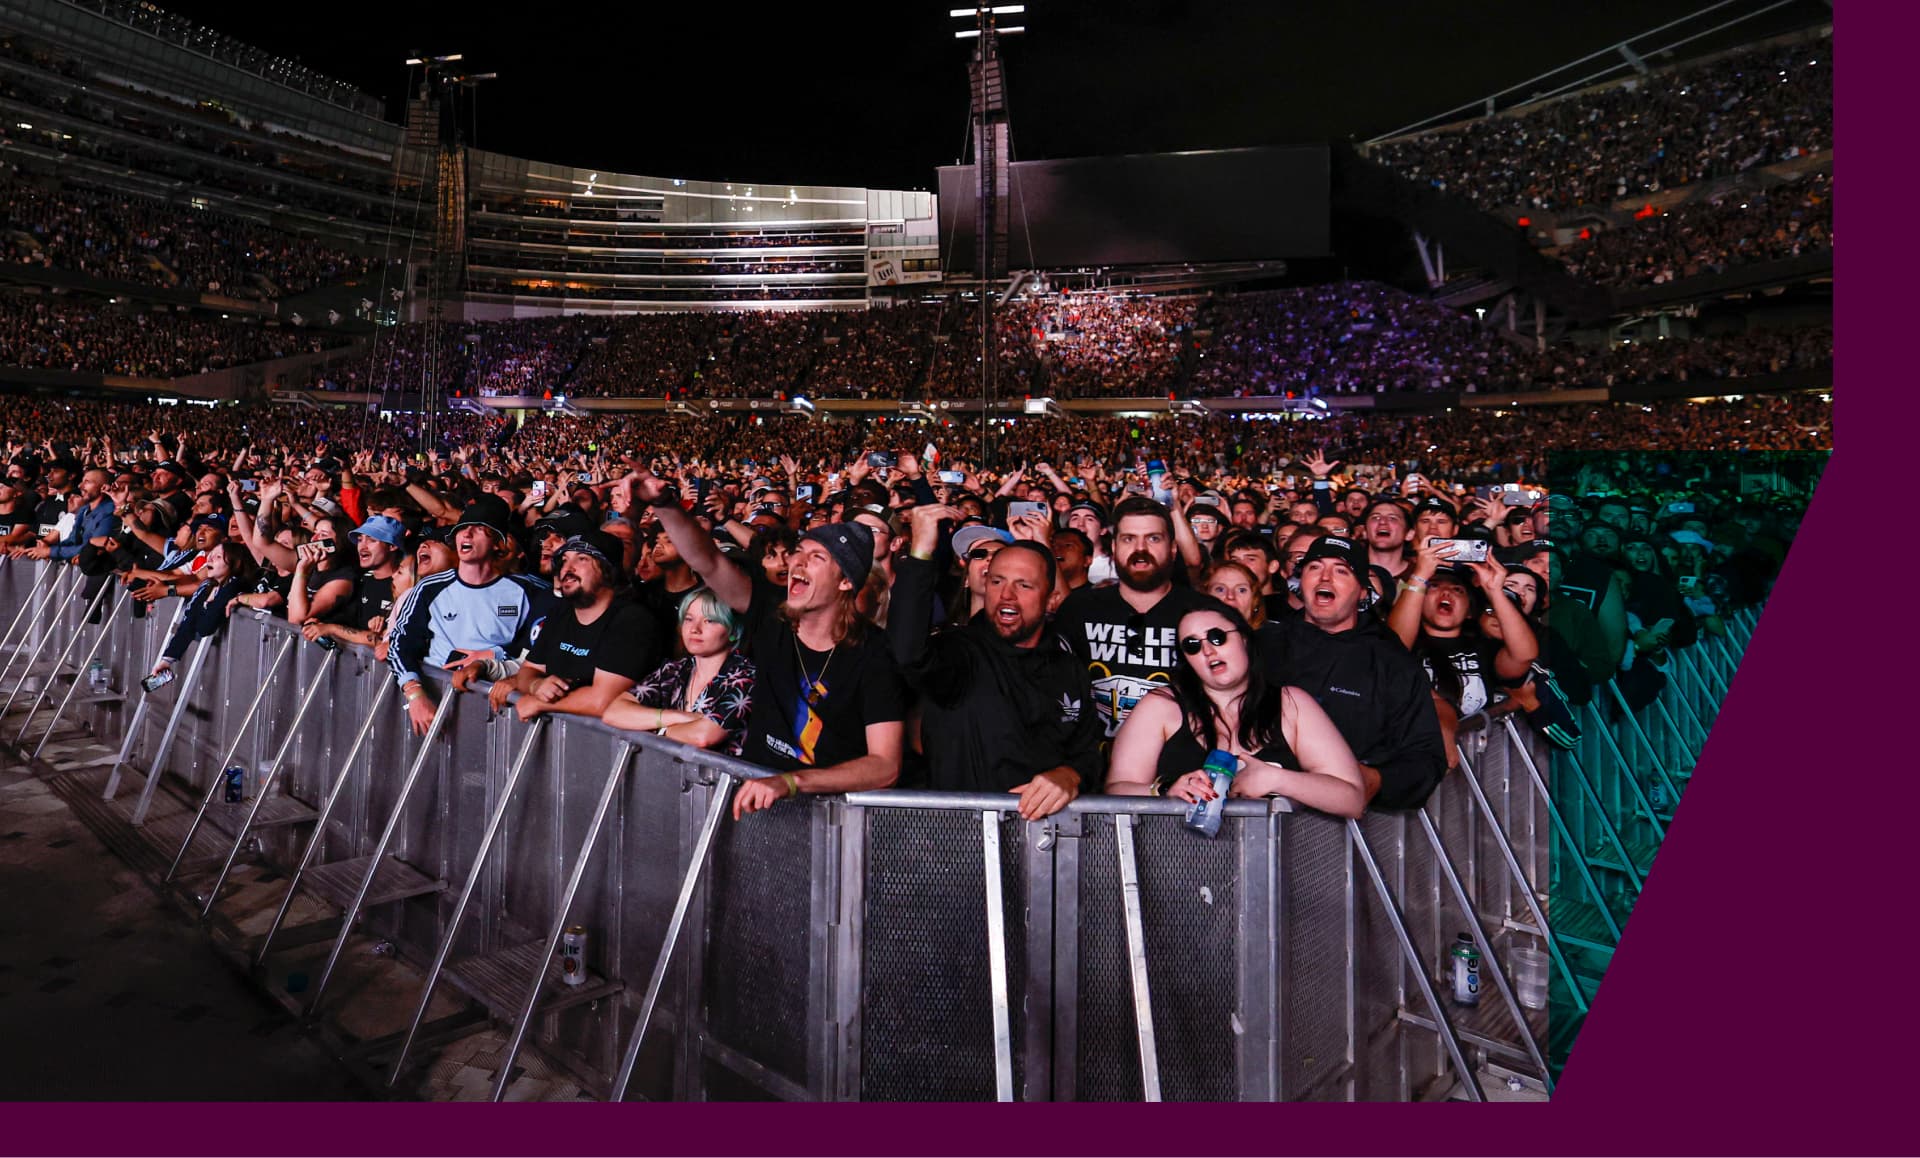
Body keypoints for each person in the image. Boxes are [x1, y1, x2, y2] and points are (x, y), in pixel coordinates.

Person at [627, 469, 904, 819]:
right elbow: (707, 561)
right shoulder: (774, 618)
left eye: (816, 558)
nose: (796, 562)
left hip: (831, 819)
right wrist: (664, 502)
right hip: (757, 801)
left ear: (846, 581)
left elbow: (885, 765)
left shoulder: (874, 654)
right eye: (798, 552)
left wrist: (791, 782)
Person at [890, 505, 1102, 819]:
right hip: (962, 844)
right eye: (997, 581)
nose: (1007, 595)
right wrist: (920, 554)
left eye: (1024, 585)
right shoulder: (959, 651)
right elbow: (907, 652)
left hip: (1043, 847)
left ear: (1050, 599)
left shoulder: (1068, 669)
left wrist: (1070, 775)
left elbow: (1088, 754)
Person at [1107, 600, 1367, 818]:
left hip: (1271, 869)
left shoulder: (1292, 703)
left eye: (1217, 637)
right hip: (1176, 866)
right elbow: (1115, 789)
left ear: (1243, 638)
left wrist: (1277, 779)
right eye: (1192, 645)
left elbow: (1352, 799)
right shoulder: (1162, 706)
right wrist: (1164, 790)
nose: (1207, 650)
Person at [1272, 535, 1447, 811]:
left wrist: (1376, 780)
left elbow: (1426, 759)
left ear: (1363, 591)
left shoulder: (1390, 660)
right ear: (1299, 582)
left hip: (1355, 834)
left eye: (1341, 571)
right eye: (1314, 568)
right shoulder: (1261, 646)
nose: (1325, 578)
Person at [387, 497, 556, 735]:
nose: (466, 535)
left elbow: (541, 648)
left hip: (500, 709)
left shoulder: (531, 591)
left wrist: (492, 655)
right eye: (462, 530)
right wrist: (415, 695)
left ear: (498, 543)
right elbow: (400, 644)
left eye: (478, 530)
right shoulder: (430, 588)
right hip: (436, 701)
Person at [1052, 497, 1206, 739]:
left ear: (1173, 549)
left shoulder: (1204, 613)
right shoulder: (1078, 609)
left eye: (1153, 538)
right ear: (1114, 548)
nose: (1140, 549)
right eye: (1128, 539)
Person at [465, 530, 659, 721]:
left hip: (612, 747)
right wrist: (536, 686)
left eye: (582, 558)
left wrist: (542, 704)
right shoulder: (561, 612)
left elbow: (602, 700)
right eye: (564, 560)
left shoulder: (631, 620)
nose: (567, 568)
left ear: (609, 570)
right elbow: (528, 671)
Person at [605, 588, 757, 754]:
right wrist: (677, 717)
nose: (695, 629)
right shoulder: (675, 670)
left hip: (725, 778)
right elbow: (613, 712)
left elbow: (703, 736)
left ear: (733, 631)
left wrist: (655, 729)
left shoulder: (745, 676)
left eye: (710, 621)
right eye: (689, 619)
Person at [147, 542, 260, 675]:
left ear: (236, 563)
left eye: (218, 557)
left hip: (244, 663)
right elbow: (189, 621)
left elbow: (205, 627)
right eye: (211, 555)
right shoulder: (207, 585)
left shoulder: (236, 585)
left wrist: (209, 602)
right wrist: (167, 660)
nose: (210, 559)